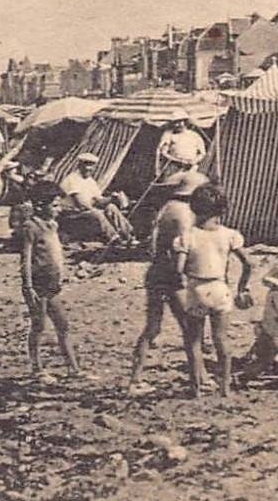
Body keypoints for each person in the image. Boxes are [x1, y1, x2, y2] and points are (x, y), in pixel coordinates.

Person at [172, 183, 252, 397]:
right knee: (222, 340)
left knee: (194, 341)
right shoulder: (229, 235)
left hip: (197, 288)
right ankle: (225, 388)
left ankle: (196, 388)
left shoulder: (188, 236)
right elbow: (248, 263)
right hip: (220, 288)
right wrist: (242, 287)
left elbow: (178, 269)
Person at [129, 169, 205, 383]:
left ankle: (134, 380)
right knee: (190, 328)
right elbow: (183, 247)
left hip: (157, 270)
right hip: (172, 274)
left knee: (152, 327)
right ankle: (198, 378)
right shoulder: (185, 214)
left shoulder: (167, 209)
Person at [17, 182, 81, 378]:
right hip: (37, 285)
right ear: (39, 205)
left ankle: (73, 368)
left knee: (63, 325)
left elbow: (55, 254)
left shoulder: (53, 225)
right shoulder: (31, 227)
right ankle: (37, 369)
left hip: (53, 284)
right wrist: (28, 286)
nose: (58, 209)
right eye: (54, 205)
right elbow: (26, 259)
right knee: (39, 326)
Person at [58, 153, 134, 245]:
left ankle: (129, 235)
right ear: (79, 165)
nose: (89, 168)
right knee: (97, 213)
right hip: (71, 213)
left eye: (91, 165)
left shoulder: (90, 181)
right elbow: (81, 204)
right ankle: (114, 238)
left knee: (111, 207)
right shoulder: (72, 179)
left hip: (85, 210)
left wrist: (112, 198)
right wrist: (99, 208)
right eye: (86, 165)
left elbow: (99, 200)